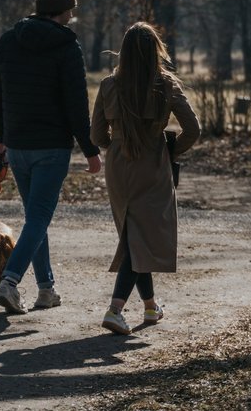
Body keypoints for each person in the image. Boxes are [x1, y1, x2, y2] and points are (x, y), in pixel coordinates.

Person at [0, 0, 103, 314]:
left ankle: (46, 289)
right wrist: (91, 149)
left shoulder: (8, 41)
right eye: (71, 10)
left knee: (35, 218)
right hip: (51, 147)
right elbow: (76, 104)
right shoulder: (67, 47)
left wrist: (0, 138)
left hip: (18, 145)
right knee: (38, 218)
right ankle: (9, 282)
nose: (72, 16)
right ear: (63, 10)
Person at [90, 22, 200, 334]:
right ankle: (115, 309)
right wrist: (170, 152)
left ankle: (151, 307)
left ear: (123, 51)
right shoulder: (166, 85)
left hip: (120, 169)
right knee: (138, 240)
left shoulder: (109, 85)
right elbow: (193, 129)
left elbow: (97, 133)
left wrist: (118, 149)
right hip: (153, 167)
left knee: (134, 237)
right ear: (155, 52)